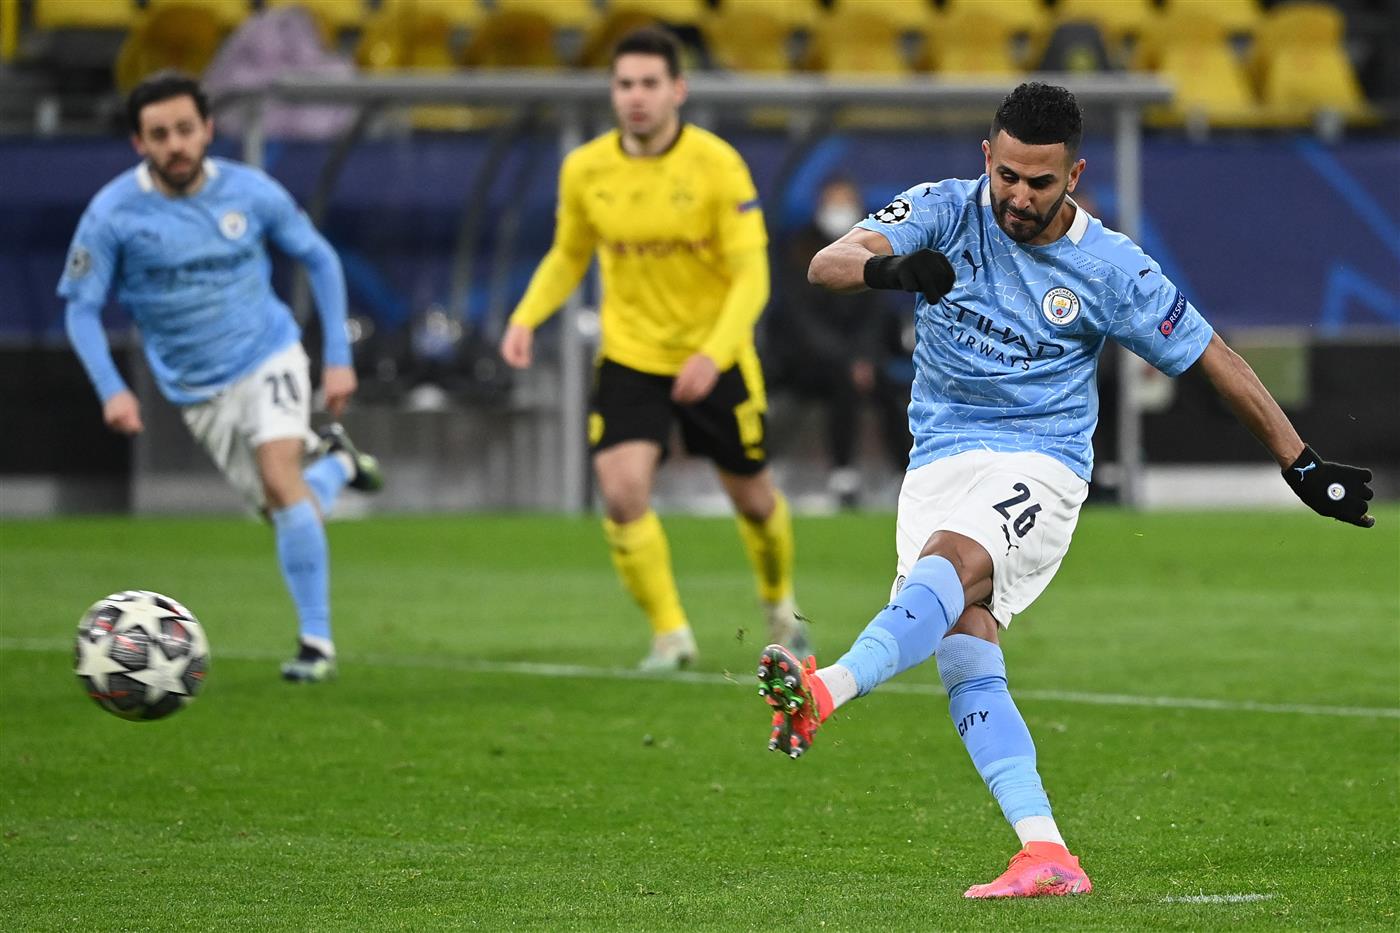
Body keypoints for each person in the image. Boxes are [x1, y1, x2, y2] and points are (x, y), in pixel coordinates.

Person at [756, 82, 1374, 898]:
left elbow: (1213, 356)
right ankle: (1045, 851)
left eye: (1039, 182)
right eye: (1007, 174)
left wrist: (1302, 463)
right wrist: (895, 267)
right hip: (938, 460)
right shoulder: (945, 207)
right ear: (988, 156)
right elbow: (825, 263)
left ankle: (822, 690)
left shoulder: (1110, 266)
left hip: (1039, 464)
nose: (1018, 195)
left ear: (1074, 175)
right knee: (966, 649)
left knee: (955, 561)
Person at [59, 72, 384, 683]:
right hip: (197, 388)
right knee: (281, 504)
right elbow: (79, 309)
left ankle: (316, 643)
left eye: (185, 129)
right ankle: (337, 467)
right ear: (139, 143)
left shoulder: (251, 192)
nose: (176, 144)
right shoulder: (112, 214)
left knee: (277, 475)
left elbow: (318, 255)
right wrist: (112, 388)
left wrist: (338, 354)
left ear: (208, 129)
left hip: (270, 353)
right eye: (159, 134)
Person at [500, 28, 806, 670]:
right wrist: (526, 317)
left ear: (677, 91)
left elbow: (753, 275)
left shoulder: (717, 165)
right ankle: (671, 635)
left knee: (753, 499)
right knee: (621, 492)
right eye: (624, 84)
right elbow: (568, 254)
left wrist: (714, 352)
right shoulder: (585, 169)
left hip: (713, 355)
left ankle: (779, 603)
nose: (635, 97)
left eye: (649, 84)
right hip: (631, 355)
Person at [768, 176, 914, 509]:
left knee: (886, 388)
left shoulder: (871, 247)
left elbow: (876, 313)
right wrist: (847, 360)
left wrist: (863, 357)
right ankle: (843, 473)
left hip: (862, 361)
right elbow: (801, 319)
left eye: (845, 200)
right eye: (833, 201)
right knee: (843, 382)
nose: (839, 209)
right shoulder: (800, 248)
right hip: (808, 362)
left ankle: (905, 473)